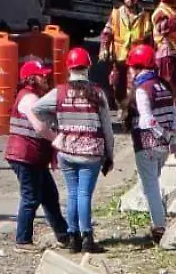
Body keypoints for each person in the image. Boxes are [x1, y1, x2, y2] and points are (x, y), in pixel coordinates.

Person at [31, 48, 114, 255]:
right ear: (88, 67)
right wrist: (110, 155)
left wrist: (54, 124)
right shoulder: (97, 92)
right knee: (84, 194)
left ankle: (73, 237)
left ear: (68, 68)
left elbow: (37, 108)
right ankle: (87, 237)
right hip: (91, 153)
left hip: (66, 151)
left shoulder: (59, 92)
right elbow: (107, 128)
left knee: (73, 194)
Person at [5, 59, 71, 251]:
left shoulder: (33, 96)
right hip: (25, 155)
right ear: (30, 78)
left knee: (50, 196)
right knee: (31, 197)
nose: (46, 77)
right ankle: (23, 240)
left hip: (33, 155)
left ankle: (63, 235)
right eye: (41, 74)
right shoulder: (29, 98)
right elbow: (40, 127)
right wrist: (57, 140)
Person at [125, 44, 176, 245]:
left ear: (138, 67)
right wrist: (172, 136)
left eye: (131, 67)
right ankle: (159, 218)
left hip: (147, 145)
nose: (129, 72)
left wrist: (163, 134)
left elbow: (147, 120)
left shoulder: (142, 90)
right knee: (153, 184)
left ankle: (159, 228)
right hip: (164, 147)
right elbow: (175, 114)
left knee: (150, 187)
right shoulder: (163, 85)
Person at [99, 0, 152, 110]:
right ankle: (120, 105)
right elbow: (107, 33)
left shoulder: (144, 17)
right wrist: (104, 49)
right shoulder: (116, 14)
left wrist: (150, 58)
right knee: (116, 83)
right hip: (119, 57)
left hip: (136, 59)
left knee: (133, 84)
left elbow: (149, 39)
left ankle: (128, 110)